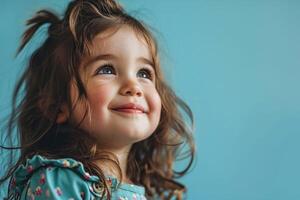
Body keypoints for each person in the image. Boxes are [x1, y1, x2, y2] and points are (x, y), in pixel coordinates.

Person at [0, 0, 195, 199]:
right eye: (107, 69)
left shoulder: (139, 191)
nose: (134, 86)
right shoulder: (60, 181)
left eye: (144, 73)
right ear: (57, 106)